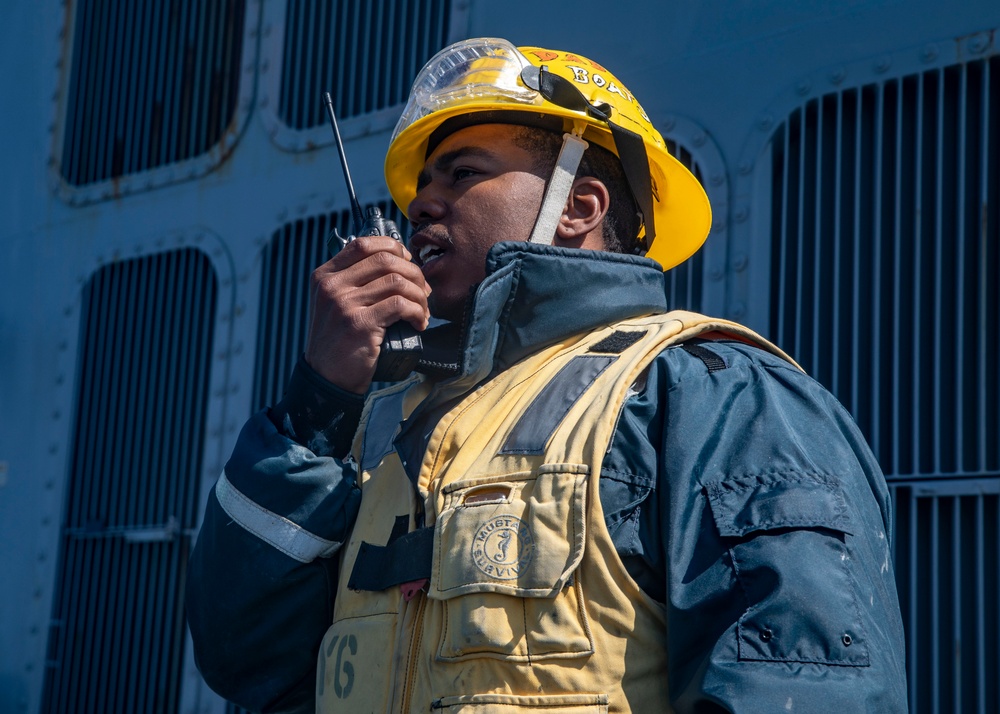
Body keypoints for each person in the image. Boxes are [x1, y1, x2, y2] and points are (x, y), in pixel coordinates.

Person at [186, 38, 908, 713]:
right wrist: (320, 400)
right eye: (419, 190)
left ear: (579, 207)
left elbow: (804, 689)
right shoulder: (382, 418)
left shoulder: (709, 393)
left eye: (463, 173)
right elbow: (245, 661)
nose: (422, 204)